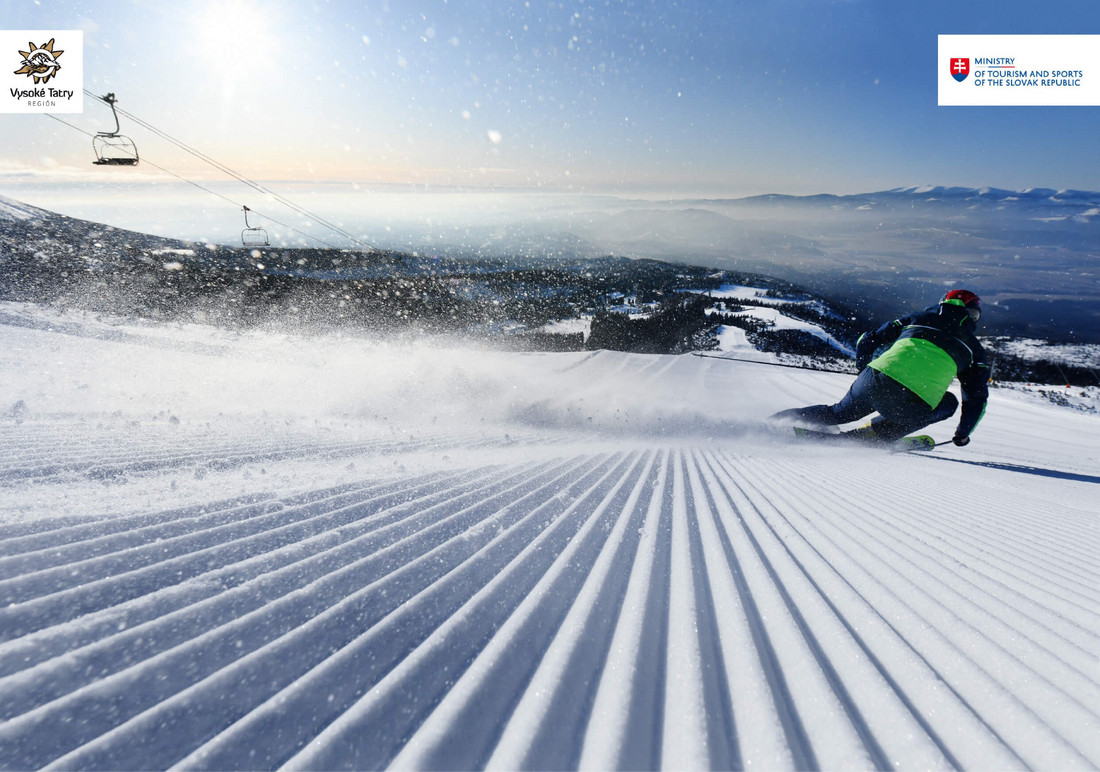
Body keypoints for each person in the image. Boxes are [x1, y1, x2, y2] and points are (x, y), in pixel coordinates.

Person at [772, 289, 989, 445]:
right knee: (949, 403)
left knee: (836, 414)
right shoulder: (975, 351)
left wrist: (864, 370)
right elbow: (975, 399)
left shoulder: (916, 318)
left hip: (873, 379)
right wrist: (963, 433)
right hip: (912, 403)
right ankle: (873, 435)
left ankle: (773, 422)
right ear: (972, 315)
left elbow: (866, 340)